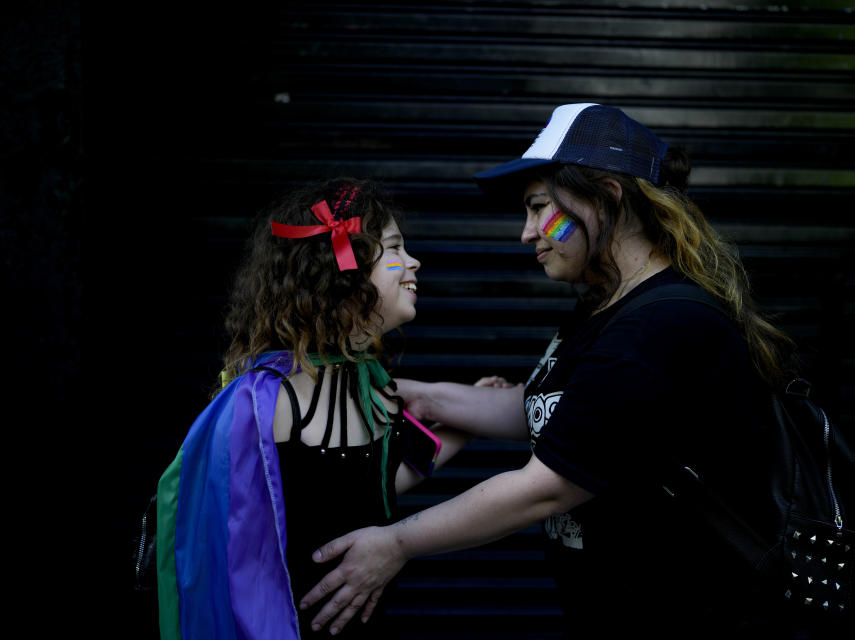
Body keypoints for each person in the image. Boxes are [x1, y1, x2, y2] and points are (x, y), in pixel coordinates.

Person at [299, 105, 798, 637]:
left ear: (607, 195)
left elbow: (548, 487)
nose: (528, 233)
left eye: (540, 208)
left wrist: (395, 543)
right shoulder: (608, 308)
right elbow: (567, 416)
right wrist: (419, 396)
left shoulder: (662, 324)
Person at [154, 178, 470, 640]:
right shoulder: (265, 402)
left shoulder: (371, 384)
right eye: (396, 247)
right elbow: (220, 553)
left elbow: (376, 483)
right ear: (346, 274)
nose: (414, 260)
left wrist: (465, 429)